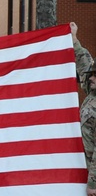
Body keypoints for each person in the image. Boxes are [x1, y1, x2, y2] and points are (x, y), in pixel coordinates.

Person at [71, 22, 96, 195]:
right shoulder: (92, 94)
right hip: (85, 169)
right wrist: (74, 38)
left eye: (95, 76)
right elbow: (84, 64)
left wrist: (93, 184)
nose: (91, 78)